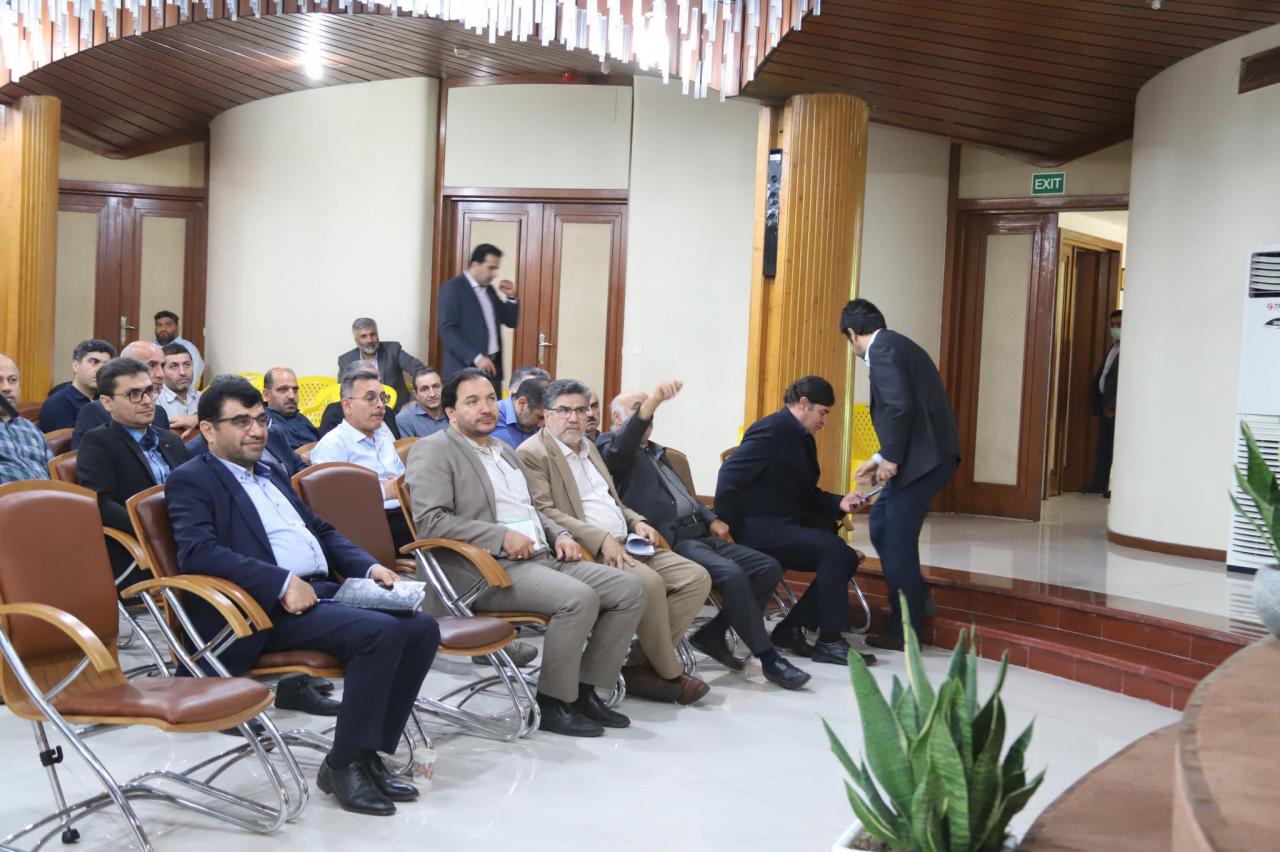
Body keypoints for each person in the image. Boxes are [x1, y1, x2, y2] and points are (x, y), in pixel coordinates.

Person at [166, 376, 439, 816]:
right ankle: (344, 764)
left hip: (320, 590)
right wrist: (279, 582)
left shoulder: (271, 470)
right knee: (380, 633)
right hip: (263, 608)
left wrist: (369, 567)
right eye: (241, 422)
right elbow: (199, 552)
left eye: (261, 420)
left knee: (422, 627)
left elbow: (322, 530)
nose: (257, 431)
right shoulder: (192, 479)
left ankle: (366, 754)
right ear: (208, 430)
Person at [405, 368, 645, 737]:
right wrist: (500, 536)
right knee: (577, 598)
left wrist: (560, 533)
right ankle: (553, 702)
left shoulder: (504, 450)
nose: (486, 408)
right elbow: (432, 522)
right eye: (472, 401)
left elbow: (532, 508)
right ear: (451, 412)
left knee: (629, 589)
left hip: (540, 557)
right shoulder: (433, 450)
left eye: (490, 399)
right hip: (484, 570)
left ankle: (584, 690)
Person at [600, 381, 810, 690]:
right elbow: (623, 445)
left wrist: (711, 518)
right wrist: (654, 400)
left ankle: (714, 633)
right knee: (733, 575)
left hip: (700, 532)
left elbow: (684, 496)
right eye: (639, 409)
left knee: (768, 567)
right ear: (618, 418)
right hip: (671, 540)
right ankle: (769, 658)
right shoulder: (611, 448)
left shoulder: (657, 451)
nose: (649, 415)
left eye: (650, 410)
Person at [518, 378, 713, 705]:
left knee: (696, 578)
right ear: (546, 415)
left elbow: (613, 501)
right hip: (589, 549)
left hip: (628, 541)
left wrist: (638, 521)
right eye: (564, 410)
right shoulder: (533, 453)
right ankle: (670, 672)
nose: (573, 418)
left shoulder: (589, 447)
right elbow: (545, 511)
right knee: (650, 584)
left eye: (580, 410)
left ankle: (639, 663)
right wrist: (602, 539)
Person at [715, 376, 876, 666]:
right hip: (758, 529)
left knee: (842, 555)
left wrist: (839, 502)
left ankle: (793, 629)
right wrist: (725, 529)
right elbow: (729, 478)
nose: (824, 421)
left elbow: (805, 493)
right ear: (803, 404)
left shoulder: (802, 437)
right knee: (837, 552)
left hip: (781, 524)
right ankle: (828, 641)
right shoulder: (770, 430)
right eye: (822, 413)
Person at [843, 298, 961, 651]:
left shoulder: (882, 349)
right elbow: (905, 407)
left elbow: (898, 406)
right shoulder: (896, 345)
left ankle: (904, 629)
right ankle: (917, 598)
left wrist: (890, 458)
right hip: (925, 457)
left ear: (852, 333)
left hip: (923, 460)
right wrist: (879, 457)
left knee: (894, 538)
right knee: (882, 525)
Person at [76, 358, 190, 579]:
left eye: (150, 391)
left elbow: (192, 490)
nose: (147, 401)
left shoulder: (171, 440)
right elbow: (101, 504)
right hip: (140, 550)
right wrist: (156, 528)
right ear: (107, 403)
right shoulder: (99, 442)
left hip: (186, 537)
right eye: (134, 394)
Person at [310, 366, 412, 550]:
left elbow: (401, 480)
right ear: (347, 406)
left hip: (407, 512)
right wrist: (383, 491)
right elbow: (331, 504)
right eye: (370, 398)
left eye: (382, 398)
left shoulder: (382, 436)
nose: (380, 405)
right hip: (372, 527)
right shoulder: (333, 445)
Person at [438, 244, 519, 392]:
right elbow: (446, 330)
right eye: (491, 268)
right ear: (475, 265)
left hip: (492, 369)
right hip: (463, 370)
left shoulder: (489, 290)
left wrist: (511, 297)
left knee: (493, 407)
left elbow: (510, 321)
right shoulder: (452, 288)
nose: (495, 274)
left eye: (496, 269)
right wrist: (476, 357)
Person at [73, 342, 171, 449]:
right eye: (151, 365)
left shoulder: (160, 413)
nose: (161, 374)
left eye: (162, 366)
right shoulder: (94, 412)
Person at [336, 318, 425, 412]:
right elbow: (343, 391)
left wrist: (413, 400)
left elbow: (421, 370)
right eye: (364, 336)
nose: (370, 340)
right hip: (364, 414)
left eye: (372, 334)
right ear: (356, 340)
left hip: (397, 411)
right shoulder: (346, 361)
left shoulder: (393, 350)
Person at [38, 339, 116, 431]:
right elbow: (71, 439)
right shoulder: (57, 404)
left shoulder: (106, 399)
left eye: (106, 365)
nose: (100, 370)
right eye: (93, 362)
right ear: (76, 365)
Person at [1086, 308, 1122, 498]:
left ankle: (1116, 488)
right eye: (1112, 325)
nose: (1115, 328)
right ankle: (1099, 483)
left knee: (1118, 449)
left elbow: (1125, 380)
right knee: (1103, 447)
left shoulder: (1131, 349)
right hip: (1105, 406)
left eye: (1119, 325)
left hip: (1117, 408)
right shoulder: (1114, 348)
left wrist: (1115, 406)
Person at [0, 354, 51, 484]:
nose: (6, 387)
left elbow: (54, 473)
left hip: (47, 493)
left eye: (12, 380)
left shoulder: (30, 428)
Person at [263, 367, 320, 450]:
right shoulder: (264, 424)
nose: (291, 396)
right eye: (283, 390)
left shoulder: (302, 419)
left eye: (295, 390)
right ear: (267, 394)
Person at [153, 310, 204, 387]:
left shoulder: (188, 347)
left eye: (168, 325)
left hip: (180, 390)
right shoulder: (149, 347)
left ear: (177, 328)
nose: (163, 329)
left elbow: (195, 375)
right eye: (159, 325)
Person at [395, 366, 448, 439]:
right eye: (424, 389)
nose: (432, 394)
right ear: (415, 394)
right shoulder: (404, 419)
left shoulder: (455, 410)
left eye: (436, 386)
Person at [157, 343, 200, 432]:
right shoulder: (155, 402)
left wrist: (197, 419)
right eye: (174, 366)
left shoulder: (203, 397)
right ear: (162, 371)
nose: (183, 372)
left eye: (187, 364)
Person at [491, 377, 545, 449]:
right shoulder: (490, 417)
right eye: (540, 417)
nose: (543, 424)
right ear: (522, 403)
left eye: (547, 417)